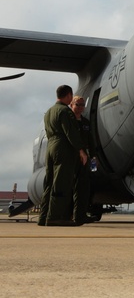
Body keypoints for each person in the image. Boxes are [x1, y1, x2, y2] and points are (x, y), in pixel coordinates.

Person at [38, 85, 88, 226]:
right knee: (62, 182)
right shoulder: (66, 112)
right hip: (63, 147)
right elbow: (71, 133)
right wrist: (81, 150)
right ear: (68, 96)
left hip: (51, 147)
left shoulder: (49, 111)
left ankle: (43, 217)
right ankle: (55, 217)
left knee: (49, 182)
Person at [70, 96, 96, 225]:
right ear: (71, 105)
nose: (80, 107)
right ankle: (67, 214)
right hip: (71, 157)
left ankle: (80, 216)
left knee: (83, 188)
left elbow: (91, 141)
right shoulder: (69, 121)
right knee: (70, 187)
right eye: (77, 104)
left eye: (82, 105)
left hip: (84, 159)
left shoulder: (86, 122)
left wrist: (94, 158)